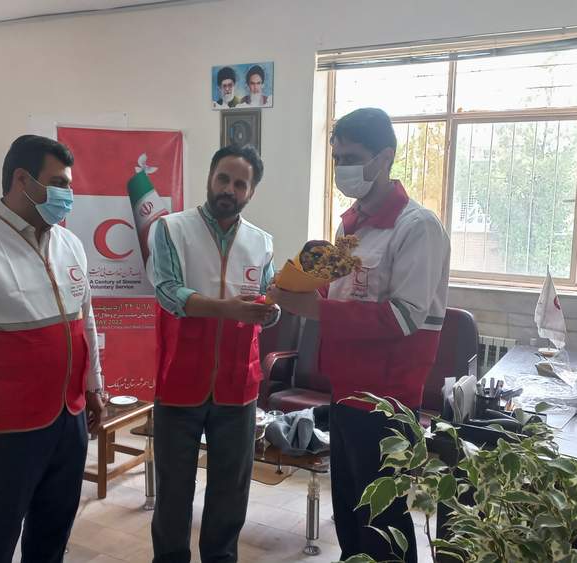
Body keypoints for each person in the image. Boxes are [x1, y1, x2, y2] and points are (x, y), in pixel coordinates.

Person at [269, 108, 450, 563]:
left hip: (388, 400)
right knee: (350, 513)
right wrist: (292, 289)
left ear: (384, 158)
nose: (341, 168)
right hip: (345, 390)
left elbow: (405, 317)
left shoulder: (417, 227)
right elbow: (335, 291)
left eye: (351, 158)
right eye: (336, 158)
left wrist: (315, 310)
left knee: (383, 523)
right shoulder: (349, 225)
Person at [0, 134, 106, 563]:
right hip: (8, 429)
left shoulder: (69, 244)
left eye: (69, 185)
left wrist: (94, 386)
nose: (67, 195)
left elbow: (85, 322)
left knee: (53, 531)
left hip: (68, 418)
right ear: (22, 180)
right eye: (58, 183)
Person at [148, 144, 277, 563]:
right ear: (210, 177)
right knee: (174, 491)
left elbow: (266, 303)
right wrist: (228, 309)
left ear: (251, 192)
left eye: (240, 184)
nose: (229, 189)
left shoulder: (262, 242)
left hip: (238, 386)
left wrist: (271, 310)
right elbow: (168, 292)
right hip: (179, 380)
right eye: (223, 178)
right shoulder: (171, 229)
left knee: (230, 492)